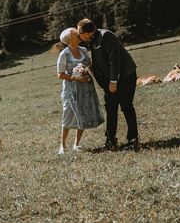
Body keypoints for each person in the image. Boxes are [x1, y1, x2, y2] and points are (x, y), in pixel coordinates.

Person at [77, 18, 139, 151]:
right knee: (110, 109)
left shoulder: (106, 36)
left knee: (126, 106)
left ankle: (133, 140)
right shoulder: (92, 40)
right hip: (109, 82)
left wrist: (113, 81)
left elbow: (114, 59)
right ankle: (111, 141)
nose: (78, 36)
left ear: (87, 32)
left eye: (79, 33)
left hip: (125, 77)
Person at [56, 27, 104, 155]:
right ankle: (63, 145)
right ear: (69, 39)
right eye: (75, 34)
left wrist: (97, 79)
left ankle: (76, 144)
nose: (78, 35)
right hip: (71, 89)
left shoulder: (83, 50)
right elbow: (60, 74)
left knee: (82, 113)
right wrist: (75, 77)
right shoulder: (64, 54)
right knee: (68, 114)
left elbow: (90, 66)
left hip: (85, 88)